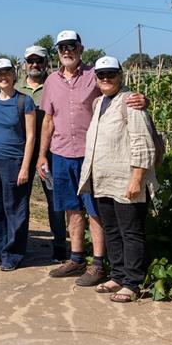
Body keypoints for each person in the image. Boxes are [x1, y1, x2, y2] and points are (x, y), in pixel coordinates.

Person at [37, 30, 147, 287]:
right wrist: (42, 154)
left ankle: (98, 263)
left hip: (92, 156)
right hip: (61, 153)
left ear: (80, 48)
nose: (67, 51)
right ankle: (76, 258)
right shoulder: (51, 81)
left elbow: (118, 95)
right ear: (57, 51)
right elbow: (49, 120)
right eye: (62, 47)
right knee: (71, 208)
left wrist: (143, 99)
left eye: (71, 46)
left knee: (94, 210)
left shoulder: (95, 75)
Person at [78, 56, 158, 303]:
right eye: (101, 75)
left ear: (120, 75)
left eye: (110, 74)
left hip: (125, 179)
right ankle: (118, 275)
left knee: (130, 231)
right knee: (112, 229)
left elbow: (142, 143)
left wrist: (136, 178)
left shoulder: (130, 102)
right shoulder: (99, 102)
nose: (105, 79)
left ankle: (132, 283)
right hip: (103, 180)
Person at [0, 58, 36, 271]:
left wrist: (24, 167)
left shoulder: (25, 101)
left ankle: (12, 254)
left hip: (14, 161)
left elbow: (31, 137)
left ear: (14, 74)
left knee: (15, 208)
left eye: (6, 72)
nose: (2, 77)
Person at [16, 45, 68, 262]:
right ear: (25, 63)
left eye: (39, 61)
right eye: (31, 61)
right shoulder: (16, 87)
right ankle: (19, 244)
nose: (35, 65)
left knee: (55, 199)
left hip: (50, 153)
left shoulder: (56, 84)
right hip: (22, 153)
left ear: (47, 62)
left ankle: (59, 245)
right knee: (19, 199)